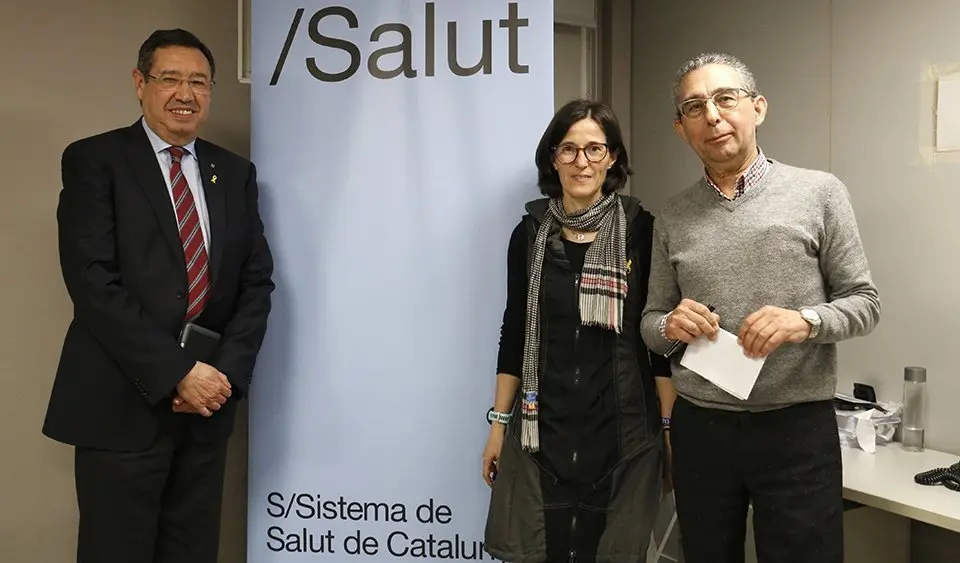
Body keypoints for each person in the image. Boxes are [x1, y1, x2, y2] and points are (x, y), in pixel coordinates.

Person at [42, 28, 275, 563]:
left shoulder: (234, 173)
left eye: (198, 82)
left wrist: (222, 379)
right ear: (139, 84)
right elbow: (92, 282)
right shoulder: (94, 160)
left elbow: (255, 284)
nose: (185, 94)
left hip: (204, 412)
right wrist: (178, 372)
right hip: (120, 405)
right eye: (170, 79)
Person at [640, 52, 881, 563]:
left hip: (796, 430)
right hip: (701, 429)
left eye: (726, 99)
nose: (712, 116)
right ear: (681, 129)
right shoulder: (672, 216)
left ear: (758, 108)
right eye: (694, 107)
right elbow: (650, 326)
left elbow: (865, 303)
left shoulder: (819, 193)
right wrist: (670, 324)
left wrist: (805, 320)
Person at [482, 99, 674, 563]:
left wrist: (669, 428)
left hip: (623, 434)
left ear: (612, 158)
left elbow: (659, 343)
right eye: (568, 149)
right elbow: (514, 332)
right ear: (553, 158)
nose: (581, 161)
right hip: (540, 432)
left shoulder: (642, 232)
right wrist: (498, 425)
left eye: (594, 149)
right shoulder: (528, 235)